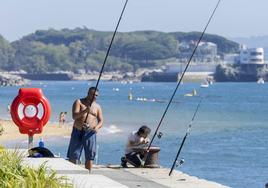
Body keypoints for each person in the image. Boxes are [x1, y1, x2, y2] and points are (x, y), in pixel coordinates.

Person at [67, 87, 103, 171]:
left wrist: (97, 128)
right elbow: (74, 116)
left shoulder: (97, 106)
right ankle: (71, 173)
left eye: (96, 95)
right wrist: (85, 111)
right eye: (93, 95)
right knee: (73, 155)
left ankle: (88, 174)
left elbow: (101, 121)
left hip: (90, 133)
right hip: (78, 131)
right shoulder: (79, 102)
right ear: (88, 93)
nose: (95, 97)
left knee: (90, 156)